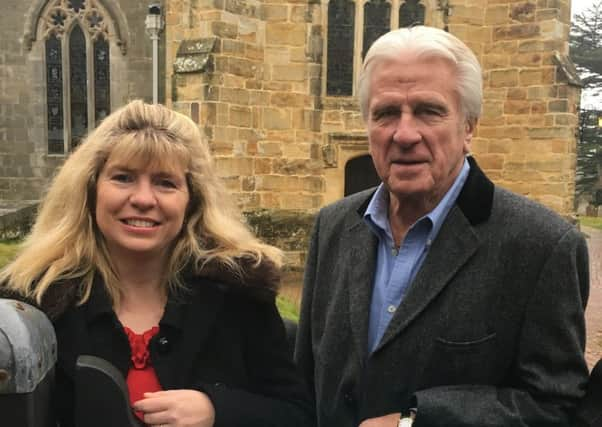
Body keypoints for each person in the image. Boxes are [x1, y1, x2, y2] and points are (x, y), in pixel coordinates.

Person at [295, 26, 590, 427]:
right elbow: (305, 381)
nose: (404, 134)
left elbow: (556, 405)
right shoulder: (332, 225)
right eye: (385, 113)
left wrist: (416, 421)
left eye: (428, 111)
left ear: (468, 127)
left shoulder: (541, 245)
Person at [0, 100, 314, 427]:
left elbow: (296, 413)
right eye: (123, 177)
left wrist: (216, 410)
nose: (144, 199)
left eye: (166, 182)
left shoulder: (237, 295)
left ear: (192, 200)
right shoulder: (31, 304)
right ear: (90, 190)